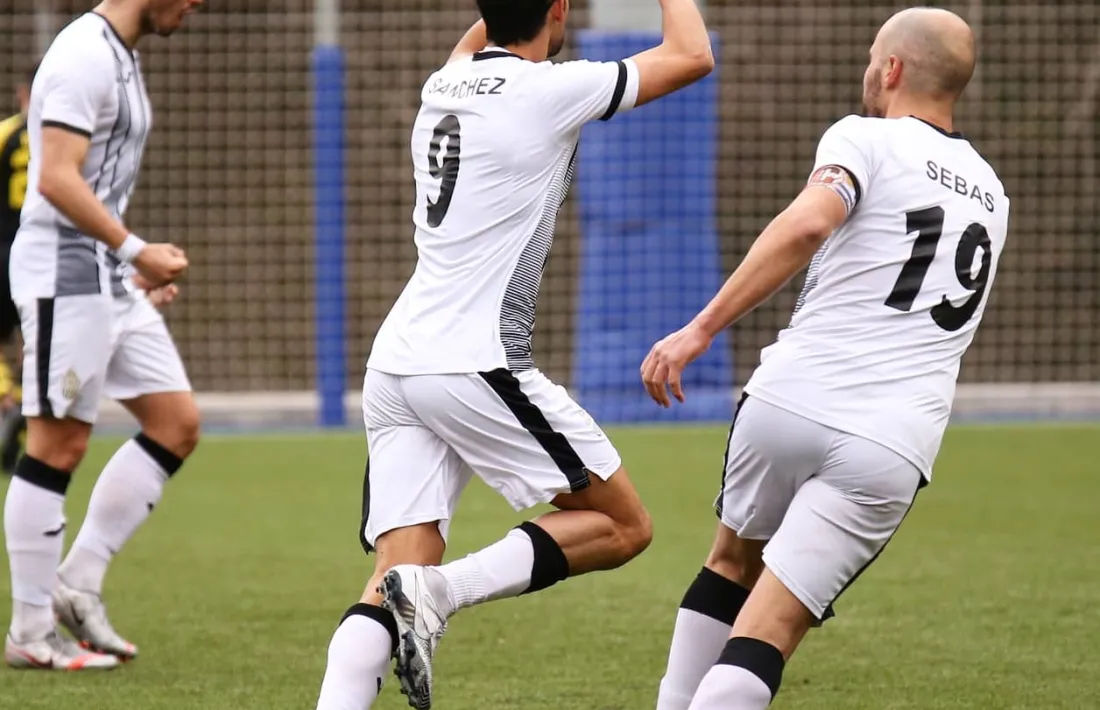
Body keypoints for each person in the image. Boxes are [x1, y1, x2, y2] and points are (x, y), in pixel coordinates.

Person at [314, 0, 714, 708]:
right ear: (558, 9)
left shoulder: (447, 79)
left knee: (390, 574)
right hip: (475, 361)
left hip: (397, 362)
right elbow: (690, 53)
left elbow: (488, 31)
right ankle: (442, 594)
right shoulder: (550, 90)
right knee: (625, 525)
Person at [640, 8, 1009, 709]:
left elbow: (812, 220)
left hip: (790, 401)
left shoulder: (863, 137)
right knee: (769, 630)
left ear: (893, 69)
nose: (868, 69)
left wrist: (701, 328)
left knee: (730, 564)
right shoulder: (994, 194)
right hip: (891, 440)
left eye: (874, 57)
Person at [4, 0, 204, 672]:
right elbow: (55, 179)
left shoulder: (121, 54)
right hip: (65, 274)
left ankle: (77, 583)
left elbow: (95, 183)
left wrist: (130, 264)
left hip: (106, 274)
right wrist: (135, 249)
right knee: (57, 444)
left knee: (175, 422)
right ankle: (30, 631)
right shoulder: (82, 54)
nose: (199, 3)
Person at [0, 70, 34, 474]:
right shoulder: (65, 137)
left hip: (1, 247)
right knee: (35, 340)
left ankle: (7, 396)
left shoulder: (6, 132)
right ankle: (26, 400)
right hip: (43, 256)